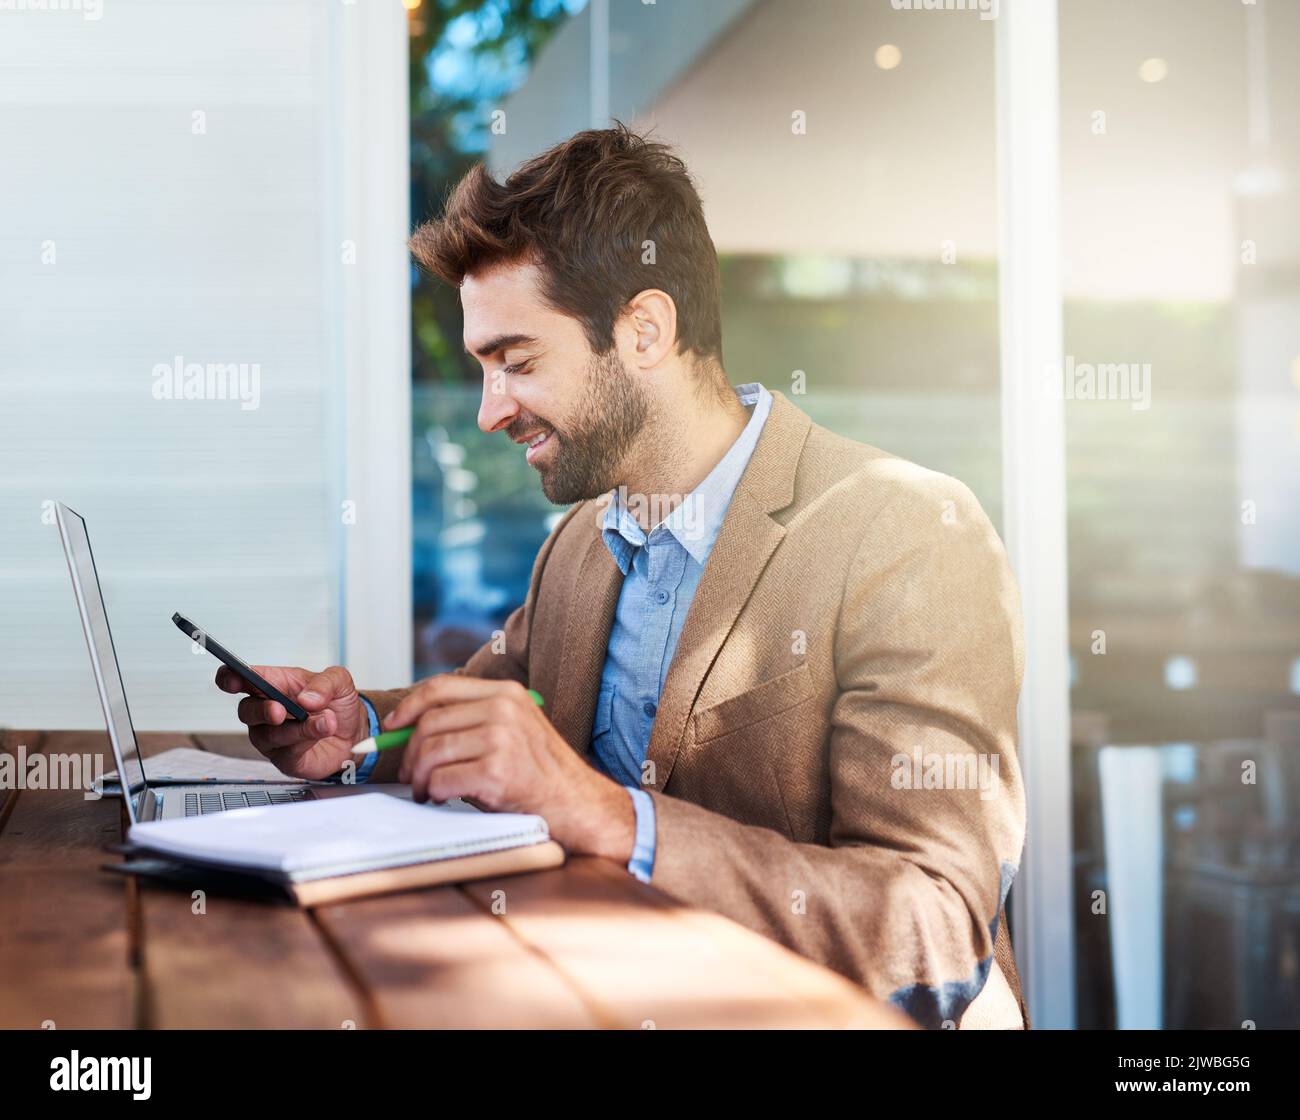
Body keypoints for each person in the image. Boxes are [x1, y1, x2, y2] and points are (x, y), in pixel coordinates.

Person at [217, 123, 1028, 1029]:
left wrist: (607, 816)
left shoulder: (907, 532)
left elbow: (938, 921)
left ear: (644, 330)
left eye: (517, 363)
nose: (490, 411)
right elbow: (485, 714)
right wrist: (359, 730)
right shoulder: (580, 545)